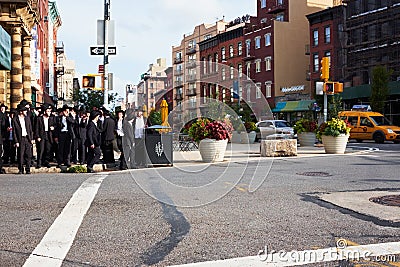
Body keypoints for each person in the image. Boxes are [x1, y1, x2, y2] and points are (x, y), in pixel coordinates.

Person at [12, 104, 34, 174]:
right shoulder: (15, 119)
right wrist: (16, 141)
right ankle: (21, 169)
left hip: (27, 138)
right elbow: (14, 131)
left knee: (28, 154)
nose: (26, 112)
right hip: (20, 138)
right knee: (20, 155)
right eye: (25, 111)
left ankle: (28, 169)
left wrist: (31, 139)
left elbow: (30, 129)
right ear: (21, 111)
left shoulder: (27, 118)